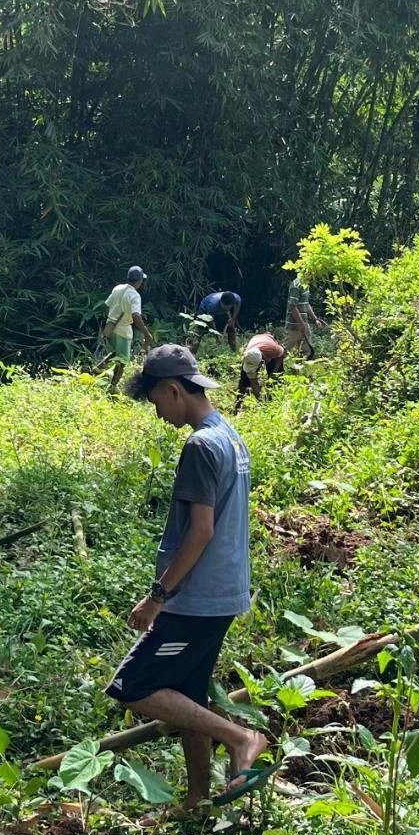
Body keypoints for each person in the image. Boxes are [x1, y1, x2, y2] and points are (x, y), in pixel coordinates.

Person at [107, 345, 270, 810]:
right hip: (224, 591)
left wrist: (157, 596)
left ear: (172, 389)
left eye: (156, 401)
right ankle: (199, 796)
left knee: (134, 686)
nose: (157, 412)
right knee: (186, 694)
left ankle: (241, 739)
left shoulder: (200, 445)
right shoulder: (229, 435)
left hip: (197, 599)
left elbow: (200, 531)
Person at [97, 265, 154, 393]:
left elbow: (106, 306)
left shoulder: (118, 288)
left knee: (115, 353)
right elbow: (136, 316)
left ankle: (99, 367)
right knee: (122, 361)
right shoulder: (134, 295)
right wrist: (146, 333)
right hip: (123, 330)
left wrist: (111, 318)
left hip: (110, 327)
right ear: (139, 281)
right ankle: (112, 388)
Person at [236, 332, 286, 401]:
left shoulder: (273, 350)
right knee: (244, 381)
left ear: (262, 360)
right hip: (256, 342)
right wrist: (260, 400)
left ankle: (276, 399)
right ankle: (239, 403)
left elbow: (282, 354)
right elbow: (254, 383)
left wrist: (274, 372)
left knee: (276, 378)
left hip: (268, 340)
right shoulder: (248, 357)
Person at [283, 276, 324, 358]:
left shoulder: (305, 285)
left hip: (303, 324)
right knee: (284, 352)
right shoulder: (296, 285)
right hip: (294, 326)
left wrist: (315, 319)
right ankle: (274, 369)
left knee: (307, 352)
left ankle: (302, 369)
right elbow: (292, 306)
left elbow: (306, 303)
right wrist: (301, 324)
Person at [191, 291, 242, 355]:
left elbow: (238, 304)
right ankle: (192, 354)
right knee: (199, 332)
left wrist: (233, 319)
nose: (227, 308)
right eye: (225, 306)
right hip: (204, 311)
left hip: (221, 312)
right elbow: (210, 321)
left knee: (231, 328)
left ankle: (234, 352)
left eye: (229, 306)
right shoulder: (212, 305)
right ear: (220, 302)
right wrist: (217, 337)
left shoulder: (236, 298)